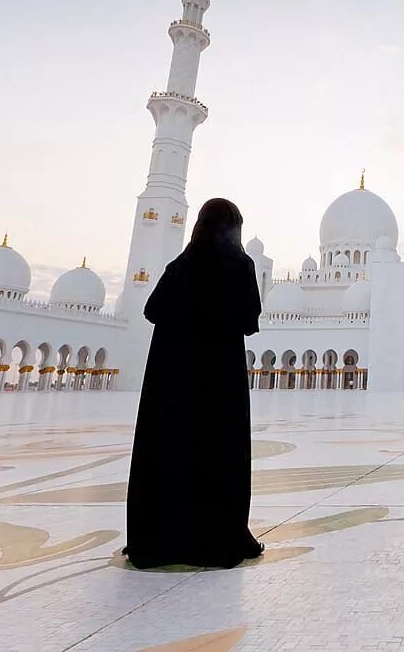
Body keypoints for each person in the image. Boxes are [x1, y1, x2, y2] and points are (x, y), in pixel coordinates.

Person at [123, 198, 265, 569]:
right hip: (218, 382)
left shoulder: (181, 264)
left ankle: (158, 539)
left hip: (172, 383)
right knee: (217, 452)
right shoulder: (239, 264)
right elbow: (250, 320)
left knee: (168, 451)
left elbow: (151, 309)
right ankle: (219, 537)